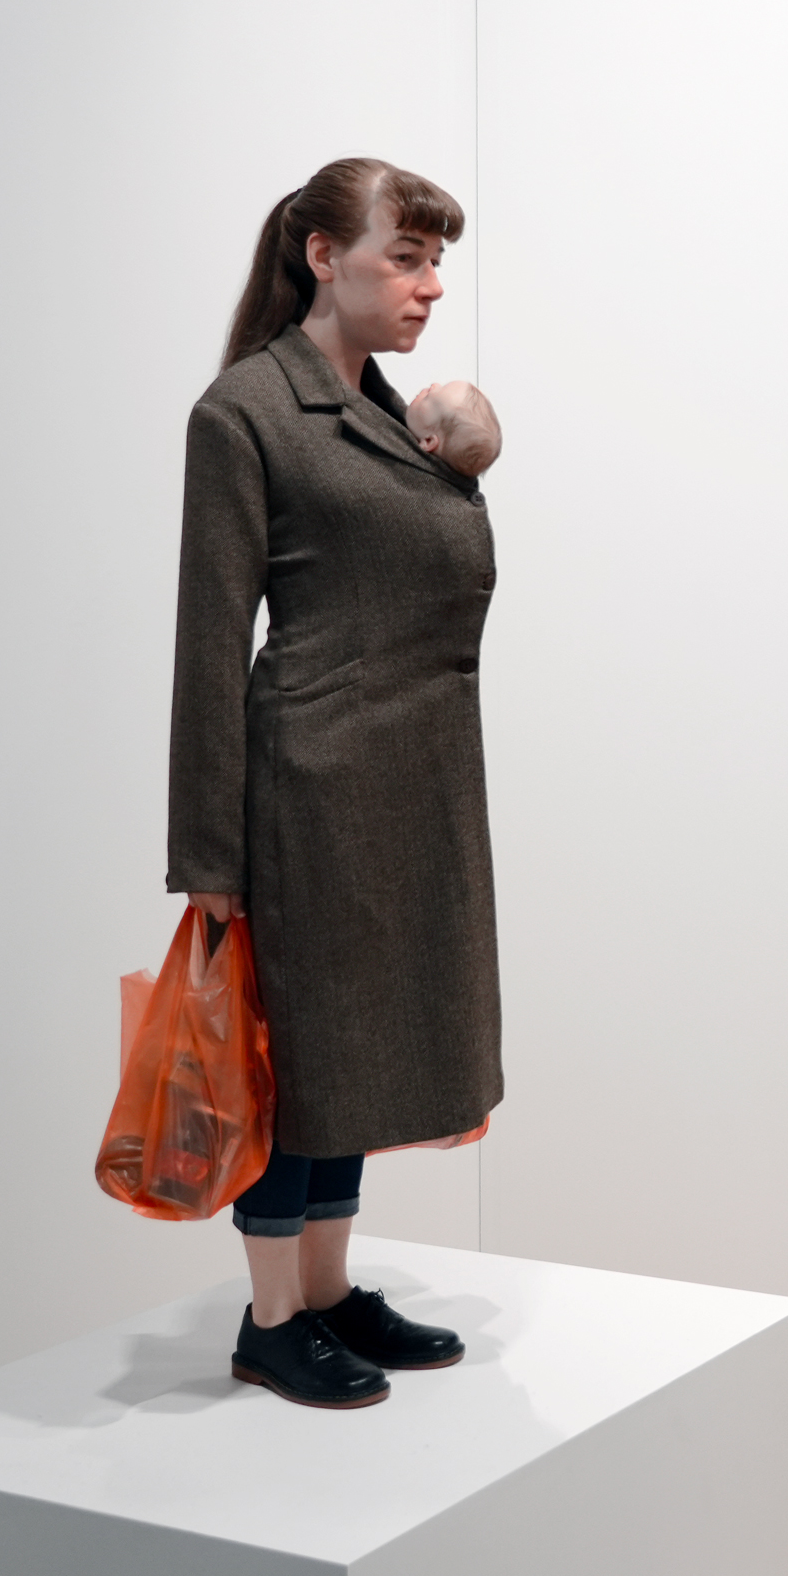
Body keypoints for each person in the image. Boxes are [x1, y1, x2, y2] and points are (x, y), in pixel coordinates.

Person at [166, 157, 505, 1410]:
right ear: (323, 256)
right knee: (297, 1059)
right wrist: (208, 857)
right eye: (404, 258)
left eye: (435, 263)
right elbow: (211, 643)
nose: (428, 287)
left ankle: (324, 1288)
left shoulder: (388, 409)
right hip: (307, 790)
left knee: (356, 1050)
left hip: (406, 783)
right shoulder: (247, 413)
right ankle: (269, 1319)